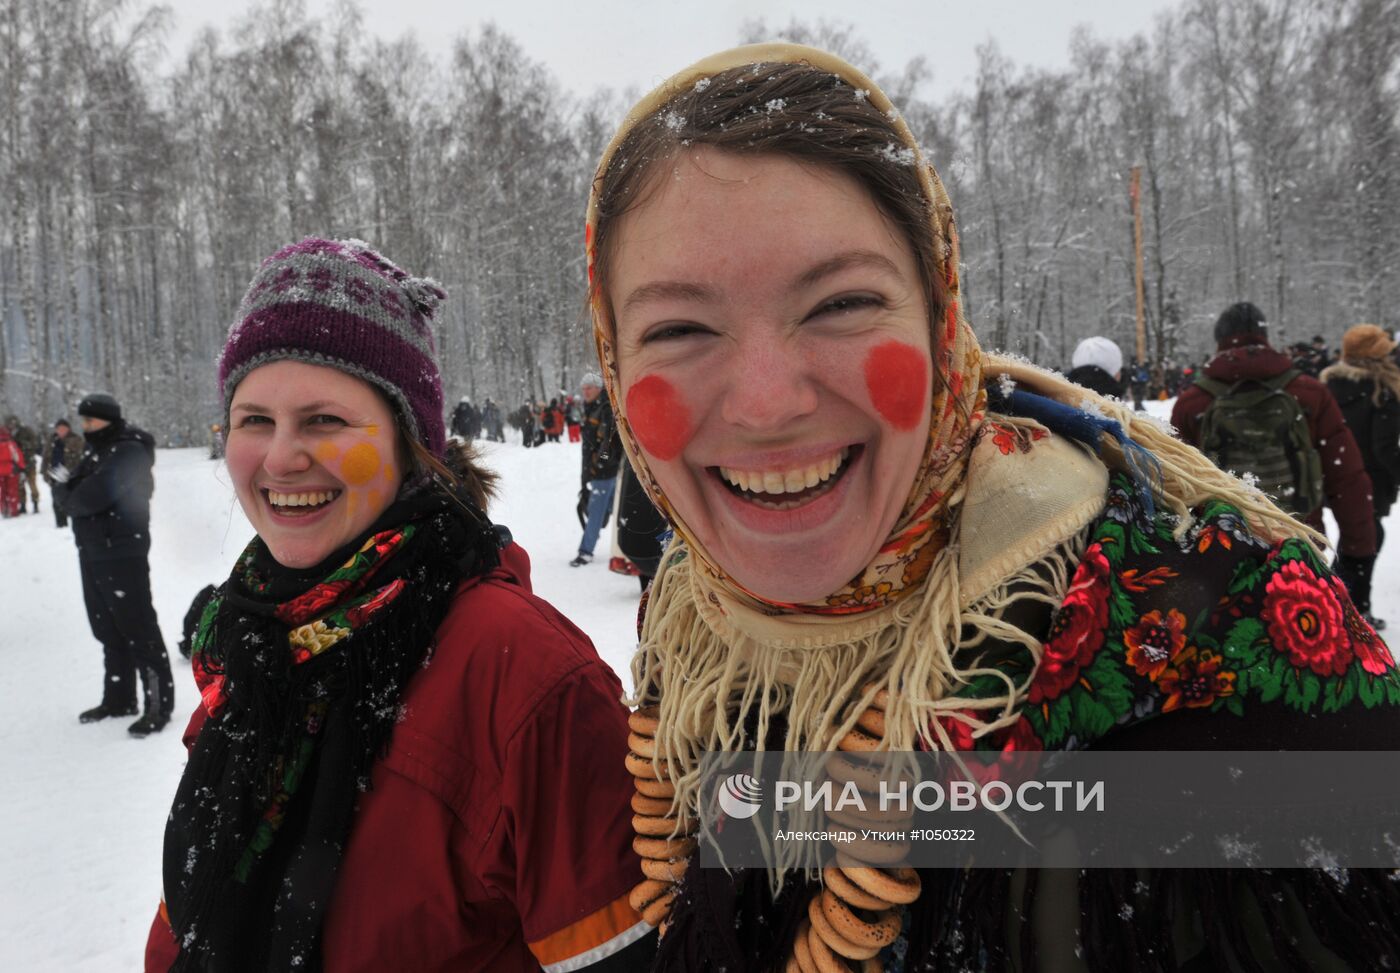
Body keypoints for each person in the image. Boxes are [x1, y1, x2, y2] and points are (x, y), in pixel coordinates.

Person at [584, 43, 1400, 970]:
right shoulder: (694, 628)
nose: (767, 403)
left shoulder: (1222, 641)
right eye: (680, 328)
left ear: (939, 319)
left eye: (842, 302)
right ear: (614, 363)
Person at [143, 238, 650, 972]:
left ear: (412, 445)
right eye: (254, 419)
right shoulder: (254, 648)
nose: (281, 455)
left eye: (324, 419)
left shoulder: (526, 678)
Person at [1172, 302, 1377, 566]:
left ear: (1219, 342)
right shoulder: (1309, 393)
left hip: (1221, 555)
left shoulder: (1193, 403)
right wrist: (1357, 553)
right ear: (1265, 338)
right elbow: (1347, 478)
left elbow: (1173, 488)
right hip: (1299, 546)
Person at [50, 393, 174, 734]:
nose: (86, 427)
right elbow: (68, 487)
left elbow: (86, 496)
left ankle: (158, 705)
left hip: (122, 551)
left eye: (92, 421)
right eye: (84, 421)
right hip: (93, 549)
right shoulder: (98, 450)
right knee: (107, 627)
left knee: (137, 627)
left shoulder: (128, 449)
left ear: (109, 419)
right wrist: (69, 492)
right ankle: (119, 698)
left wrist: (68, 493)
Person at [1322, 323, 1400, 631]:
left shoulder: (1329, 385)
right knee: (1367, 539)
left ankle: (1346, 601)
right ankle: (1346, 603)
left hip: (1339, 470)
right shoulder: (1383, 389)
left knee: (1358, 536)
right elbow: (1385, 447)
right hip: (1371, 476)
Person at [572, 372, 621, 567]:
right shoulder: (591, 407)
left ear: (598, 388)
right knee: (606, 507)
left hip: (604, 470)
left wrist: (601, 463)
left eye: (589, 388)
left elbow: (609, 442)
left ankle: (585, 551)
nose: (585, 391)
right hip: (596, 468)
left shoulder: (605, 408)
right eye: (583, 388)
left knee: (595, 511)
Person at [41, 417, 84, 527]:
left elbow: (80, 458)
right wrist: (45, 473)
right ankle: (61, 523)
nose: (61, 431)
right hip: (54, 474)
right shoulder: (51, 441)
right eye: (59, 429)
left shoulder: (76, 440)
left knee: (74, 498)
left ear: (68, 429)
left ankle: (77, 520)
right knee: (57, 500)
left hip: (71, 475)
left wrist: (72, 472)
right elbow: (45, 458)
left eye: (63, 428)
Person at [4, 414, 40, 514]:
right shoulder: (8, 434)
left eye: (13, 422)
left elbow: (35, 444)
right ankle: (23, 505)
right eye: (10, 423)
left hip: (29, 462)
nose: (12, 425)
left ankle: (35, 504)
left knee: (32, 484)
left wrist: (22, 444)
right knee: (20, 486)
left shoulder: (26, 430)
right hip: (17, 464)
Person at [0, 424, 23, 517]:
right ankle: (13, 510)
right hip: (11, 471)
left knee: (2, 492)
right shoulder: (11, 444)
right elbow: (18, 457)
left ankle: (4, 509)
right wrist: (21, 467)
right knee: (12, 492)